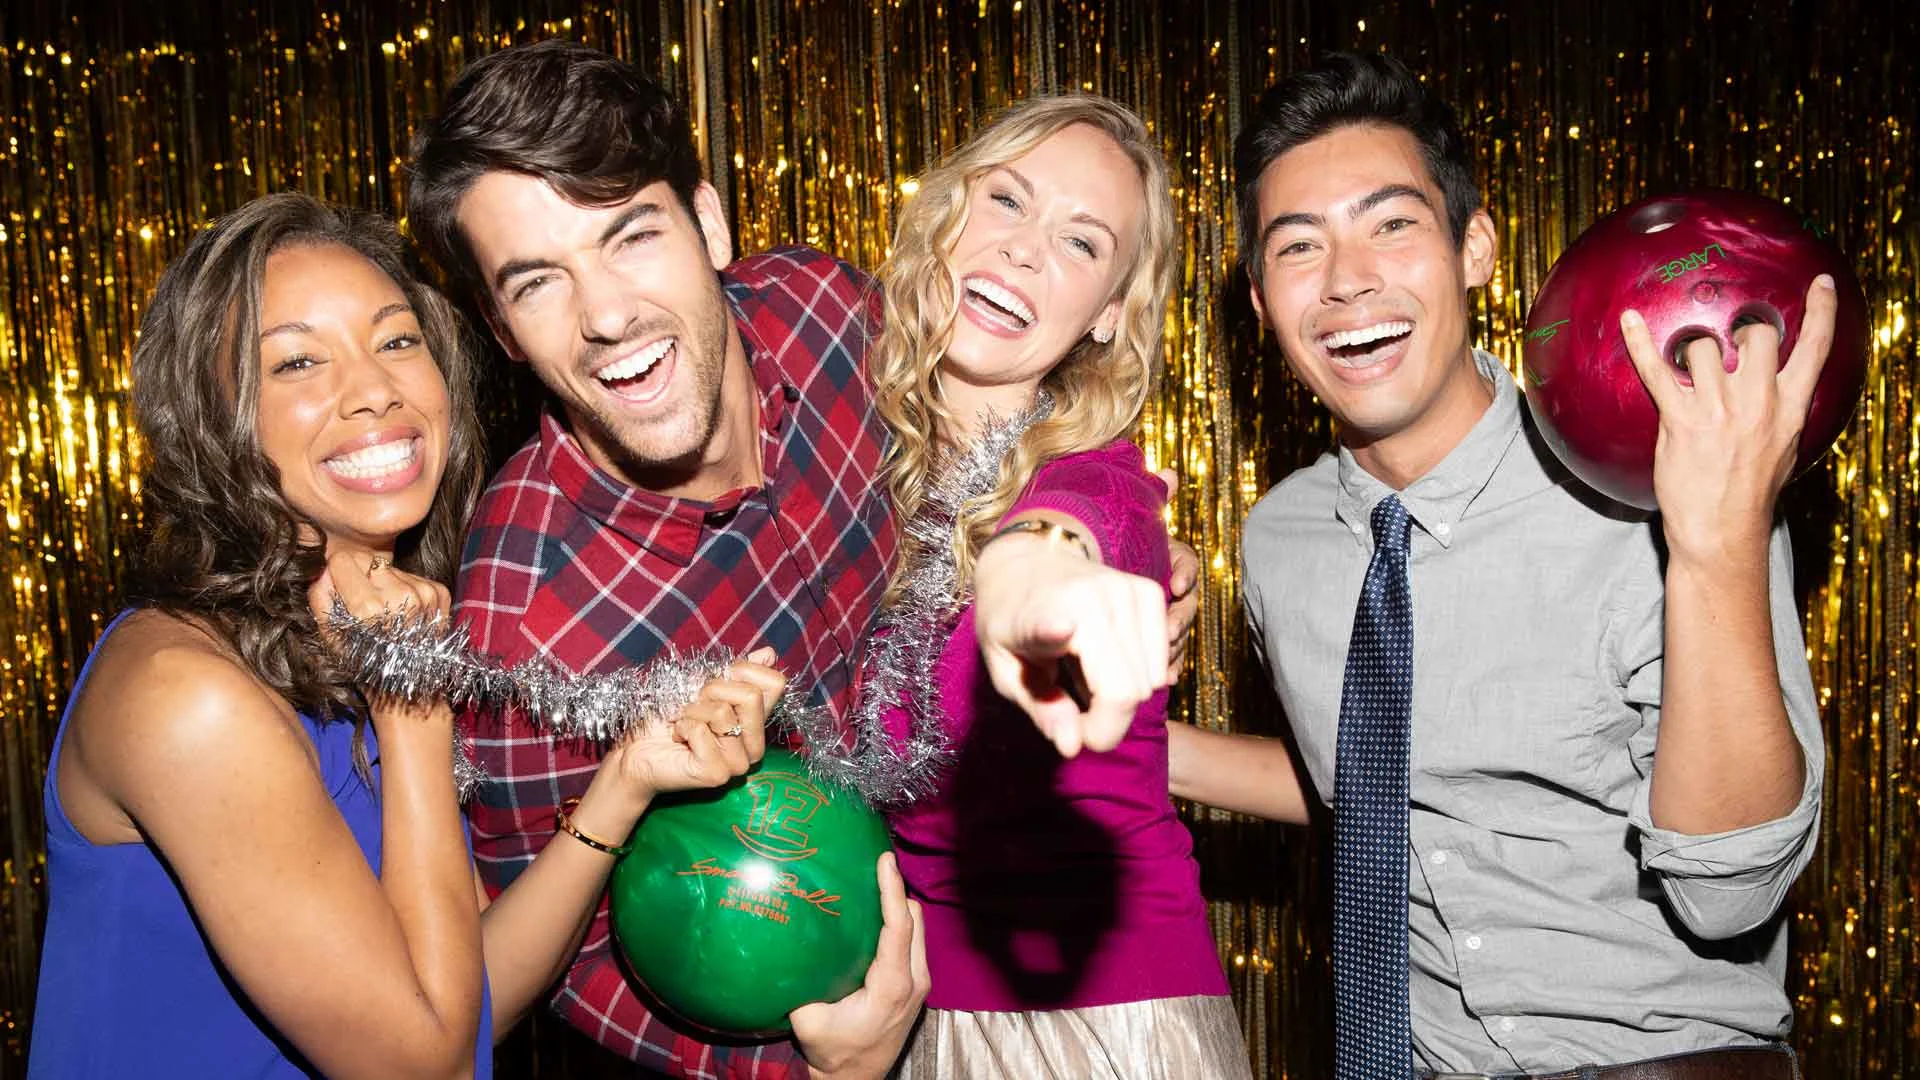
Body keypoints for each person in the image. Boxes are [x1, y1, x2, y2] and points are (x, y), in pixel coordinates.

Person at [405, 41, 1202, 1080]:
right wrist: (806, 1068)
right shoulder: (521, 607)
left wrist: (1092, 555)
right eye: (537, 282)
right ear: (500, 329)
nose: (605, 315)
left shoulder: (823, 312)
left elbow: (1020, 463)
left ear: (709, 224)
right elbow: (564, 950)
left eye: (631, 236)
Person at [1157, 52, 1825, 1078]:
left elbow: (1729, 894)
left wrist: (1716, 549)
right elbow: (1368, 777)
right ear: (1259, 300)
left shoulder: (1659, 484)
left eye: (1391, 225)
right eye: (1298, 246)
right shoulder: (1280, 539)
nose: (1346, 279)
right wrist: (1117, 741)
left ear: (1475, 246)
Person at [28, 194, 782, 1078]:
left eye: (395, 342)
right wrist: (412, 697)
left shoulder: (363, 625)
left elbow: (464, 994)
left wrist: (624, 781)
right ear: (214, 418)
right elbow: (432, 1066)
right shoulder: (187, 694)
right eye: (297, 362)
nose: (375, 390)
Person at [842, 95, 1251, 1079]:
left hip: (1104, 1026)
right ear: (947, 211)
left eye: (1080, 241)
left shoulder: (1102, 483)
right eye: (1008, 200)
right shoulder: (847, 469)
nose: (1025, 250)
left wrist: (1032, 570)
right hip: (918, 1021)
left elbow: (1068, 533)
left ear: (1109, 313)